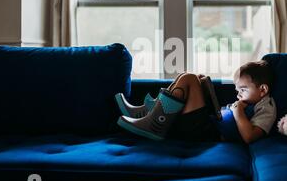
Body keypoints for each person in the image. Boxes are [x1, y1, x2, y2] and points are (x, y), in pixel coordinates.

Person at [116, 61, 277, 144]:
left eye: (242, 89)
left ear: (262, 89)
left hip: (207, 133)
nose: (238, 94)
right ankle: (150, 114)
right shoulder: (251, 101)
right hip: (207, 124)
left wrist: (238, 111)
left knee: (188, 79)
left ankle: (155, 125)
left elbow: (249, 137)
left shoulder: (266, 108)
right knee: (192, 76)